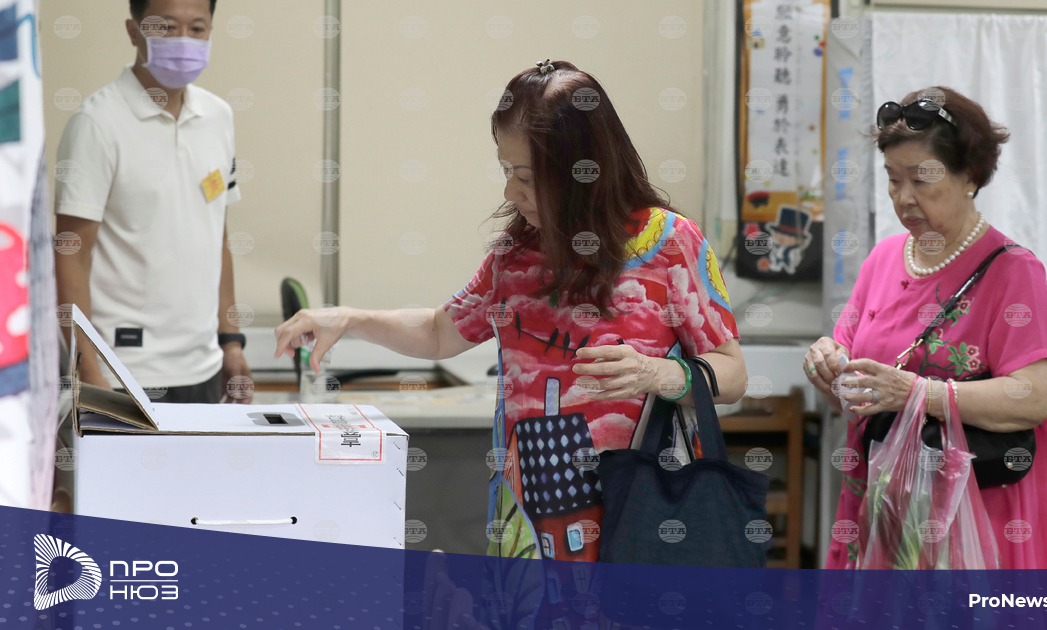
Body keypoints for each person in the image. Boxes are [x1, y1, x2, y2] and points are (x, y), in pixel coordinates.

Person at [275, 59, 745, 558]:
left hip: (644, 524)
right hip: (526, 529)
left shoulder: (669, 242)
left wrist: (657, 373)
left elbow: (733, 375)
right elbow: (439, 331)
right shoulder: (515, 255)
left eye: (528, 176)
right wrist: (349, 318)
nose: (510, 192)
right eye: (506, 171)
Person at [806, 86, 1047, 570]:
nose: (904, 198)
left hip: (973, 519)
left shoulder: (1014, 272)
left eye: (921, 179)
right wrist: (829, 366)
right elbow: (857, 387)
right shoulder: (883, 258)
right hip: (884, 507)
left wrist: (917, 393)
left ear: (970, 176)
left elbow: (1031, 398)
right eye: (893, 180)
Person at [54, 0, 250, 404]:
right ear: (134, 31)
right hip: (122, 372)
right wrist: (88, 372)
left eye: (197, 29)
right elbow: (71, 254)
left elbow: (218, 234)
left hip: (204, 366)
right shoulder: (96, 124)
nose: (184, 41)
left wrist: (231, 341)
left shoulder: (218, 116)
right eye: (166, 27)